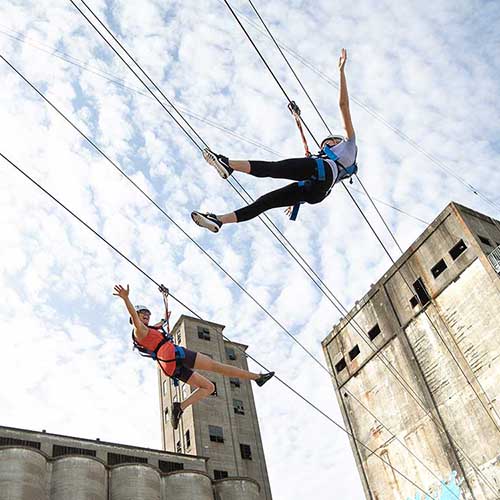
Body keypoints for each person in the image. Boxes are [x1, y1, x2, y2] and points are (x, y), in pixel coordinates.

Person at [191, 48, 357, 232]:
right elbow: (303, 153)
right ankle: (219, 220)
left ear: (338, 140)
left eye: (328, 142)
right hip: (313, 191)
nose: (324, 144)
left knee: (274, 168)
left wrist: (341, 72)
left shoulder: (349, 145)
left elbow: (343, 106)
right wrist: (297, 118)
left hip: (320, 178)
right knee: (265, 202)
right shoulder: (323, 160)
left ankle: (227, 164)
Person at [113, 284, 274, 430]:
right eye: (143, 314)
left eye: (148, 313)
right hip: (173, 357)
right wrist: (126, 299)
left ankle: (180, 408)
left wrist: (165, 314)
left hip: (170, 363)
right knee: (216, 366)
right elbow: (134, 317)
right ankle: (257, 378)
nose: (146, 315)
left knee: (209, 387)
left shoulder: (150, 329)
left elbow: (159, 323)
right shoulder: (139, 331)